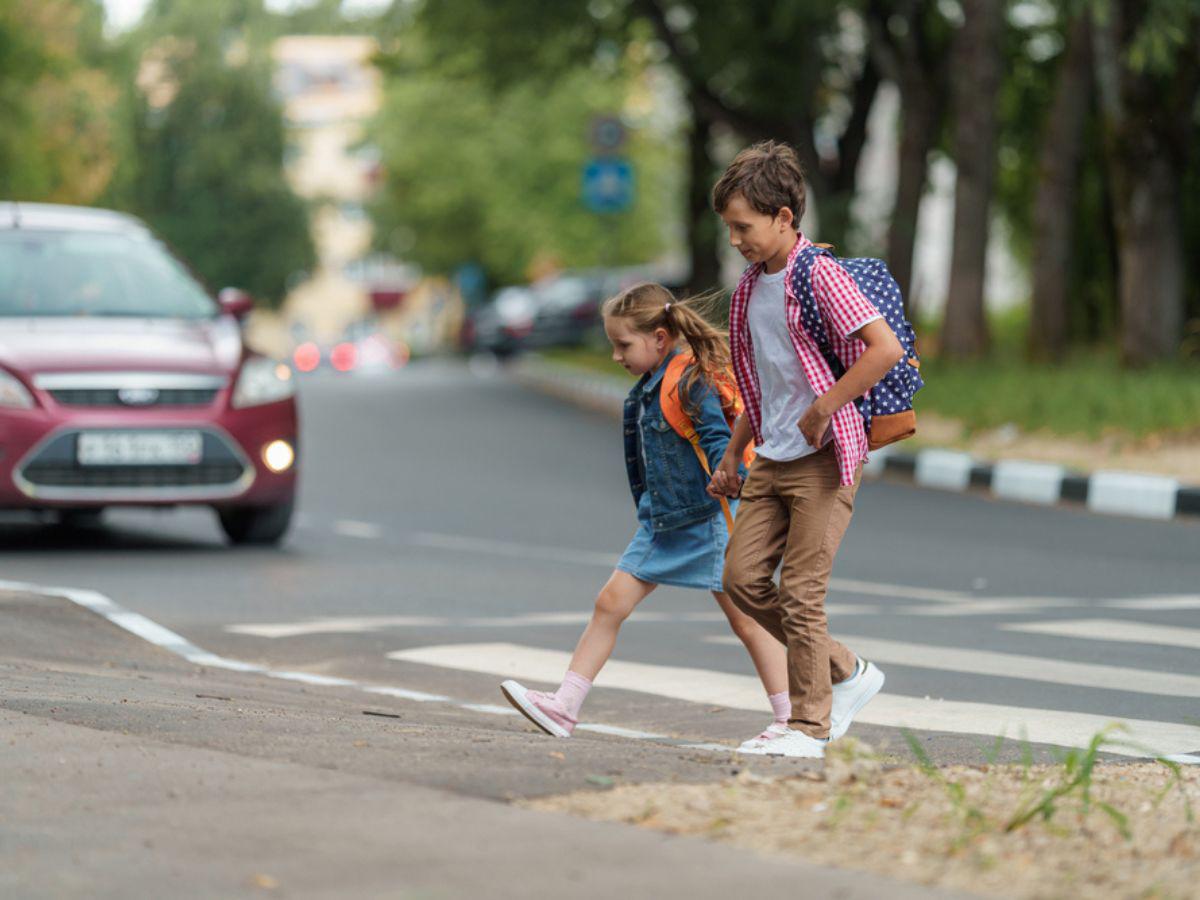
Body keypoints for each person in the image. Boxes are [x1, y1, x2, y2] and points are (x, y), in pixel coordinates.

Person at [501, 282, 791, 740]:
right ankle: (564, 706)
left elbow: (721, 442)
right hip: (663, 523)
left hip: (710, 520)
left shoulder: (690, 381)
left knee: (747, 621)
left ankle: (791, 718)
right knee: (609, 604)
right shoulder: (650, 385)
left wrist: (730, 476)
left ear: (659, 337)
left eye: (623, 345)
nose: (616, 355)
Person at [709, 141, 901, 758]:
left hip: (825, 456)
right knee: (740, 579)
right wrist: (734, 452)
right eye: (729, 228)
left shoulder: (819, 275)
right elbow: (761, 380)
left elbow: (884, 348)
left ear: (784, 217)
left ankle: (809, 727)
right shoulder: (748, 289)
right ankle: (847, 671)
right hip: (772, 455)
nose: (735, 239)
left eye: (744, 226)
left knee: (800, 593)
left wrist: (825, 406)